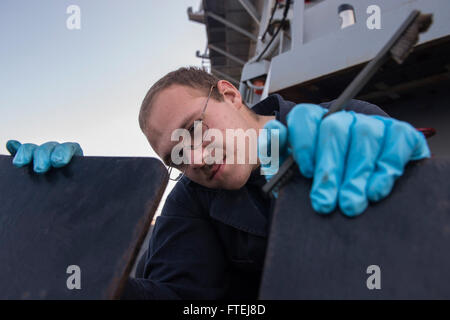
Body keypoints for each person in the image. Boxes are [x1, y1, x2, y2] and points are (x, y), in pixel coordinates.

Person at [6, 67, 430, 299]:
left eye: (193, 129)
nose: (194, 158)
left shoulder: (348, 121)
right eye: (175, 155)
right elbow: (185, 303)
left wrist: (403, 190)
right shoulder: (189, 201)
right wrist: (70, 250)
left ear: (229, 94)